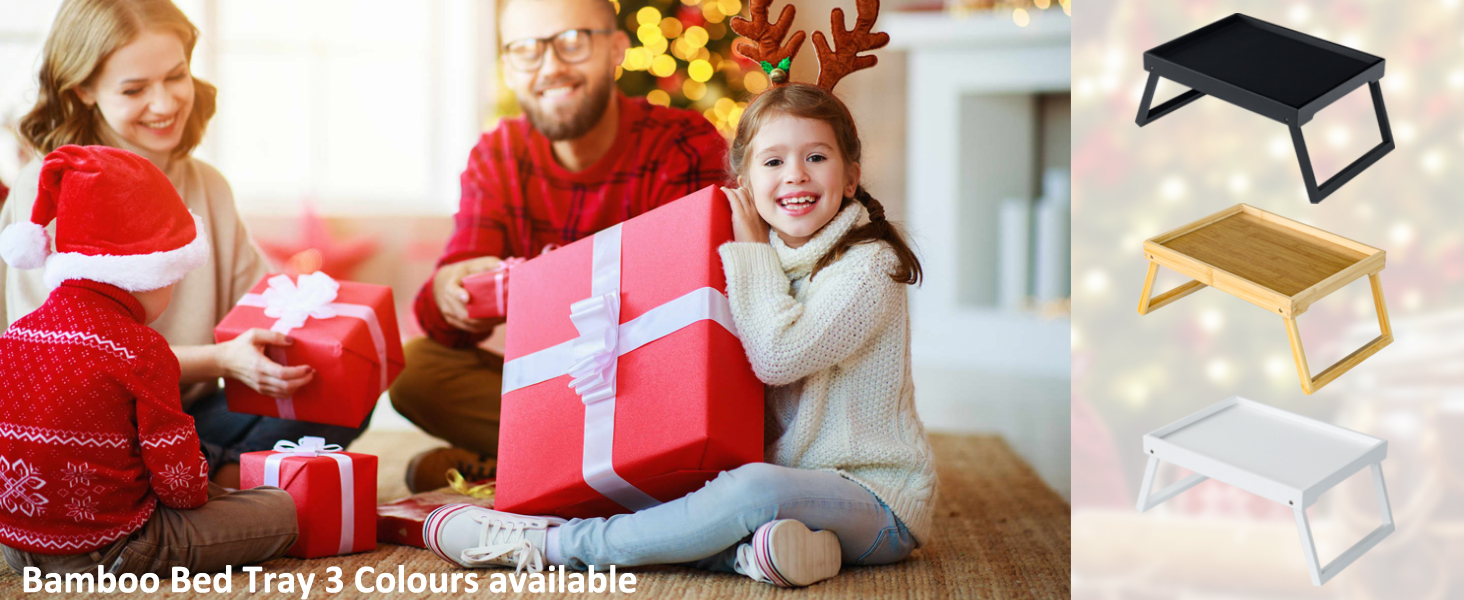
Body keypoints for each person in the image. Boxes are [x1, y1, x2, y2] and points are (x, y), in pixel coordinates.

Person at [423, 83, 936, 588]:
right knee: (691, 490)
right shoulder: (761, 261)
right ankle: (756, 556)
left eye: (816, 157)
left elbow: (777, 356)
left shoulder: (869, 265)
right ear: (745, 184)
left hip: (876, 500)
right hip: (795, 497)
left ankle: (556, 546)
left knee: (750, 491)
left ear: (851, 177)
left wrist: (750, 249)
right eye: (774, 161)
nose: (795, 174)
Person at [0, 0, 369, 488]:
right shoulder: (48, 187)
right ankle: (219, 478)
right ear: (83, 90)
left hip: (189, 418)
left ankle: (205, 476)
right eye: (134, 89)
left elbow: (256, 305)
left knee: (346, 389)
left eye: (175, 76)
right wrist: (220, 360)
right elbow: (57, 363)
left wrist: (319, 326)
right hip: (89, 429)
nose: (165, 104)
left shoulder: (207, 184)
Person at [389, 0, 729, 492]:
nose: (550, 67)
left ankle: (516, 468)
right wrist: (452, 289)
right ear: (509, 67)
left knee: (698, 399)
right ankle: (612, 471)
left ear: (616, 49)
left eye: (572, 42)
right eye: (526, 49)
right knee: (417, 371)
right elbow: (443, 320)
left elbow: (697, 315)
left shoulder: (683, 144)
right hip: (556, 387)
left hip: (651, 386)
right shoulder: (498, 155)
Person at [0, 145, 297, 575]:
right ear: (149, 274)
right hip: (107, 546)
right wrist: (201, 494)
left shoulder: (17, 335)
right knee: (281, 511)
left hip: (15, 545)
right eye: (176, 276)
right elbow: (181, 487)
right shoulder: (141, 349)